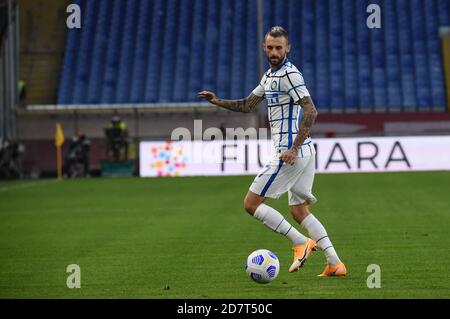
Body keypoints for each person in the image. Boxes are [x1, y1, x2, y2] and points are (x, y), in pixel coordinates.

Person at [198, 26, 346, 277]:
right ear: (264, 48)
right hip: (305, 152)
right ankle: (334, 263)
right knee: (299, 210)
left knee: (251, 203)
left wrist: (293, 148)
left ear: (288, 48)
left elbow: (311, 111)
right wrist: (217, 101)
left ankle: (300, 243)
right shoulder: (269, 76)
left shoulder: (290, 75)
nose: (275, 52)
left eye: (280, 47)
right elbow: (247, 105)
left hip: (292, 153)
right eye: (271, 47)